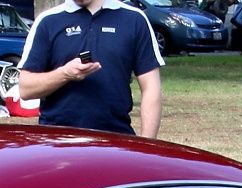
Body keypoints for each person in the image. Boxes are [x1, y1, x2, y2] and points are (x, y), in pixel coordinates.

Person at [18, 0, 164, 138]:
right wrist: (64, 74)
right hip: (57, 143)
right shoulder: (48, 21)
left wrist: (147, 145)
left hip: (116, 142)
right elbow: (25, 89)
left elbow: (151, 87)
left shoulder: (134, 19)